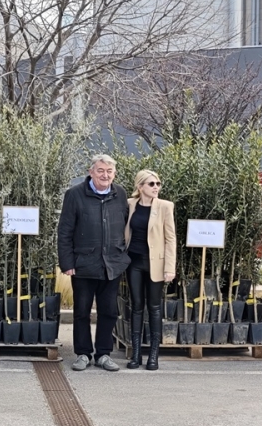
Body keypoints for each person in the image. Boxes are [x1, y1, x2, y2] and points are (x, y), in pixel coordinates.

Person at [57, 154, 130, 372]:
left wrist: (122, 256)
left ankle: (103, 354)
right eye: (100, 171)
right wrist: (67, 262)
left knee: (109, 312)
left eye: (109, 171)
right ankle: (83, 354)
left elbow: (126, 225)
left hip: (112, 265)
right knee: (82, 312)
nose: (105, 175)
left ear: (114, 173)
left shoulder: (120, 194)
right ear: (91, 172)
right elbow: (65, 231)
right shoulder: (74, 194)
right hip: (83, 264)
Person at [124, 169, 176, 371]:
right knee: (136, 306)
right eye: (151, 184)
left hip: (156, 263)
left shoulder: (165, 206)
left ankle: (153, 355)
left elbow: (170, 239)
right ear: (140, 186)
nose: (156, 187)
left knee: (154, 307)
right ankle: (136, 354)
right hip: (133, 262)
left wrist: (169, 268)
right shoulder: (129, 204)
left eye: (158, 184)